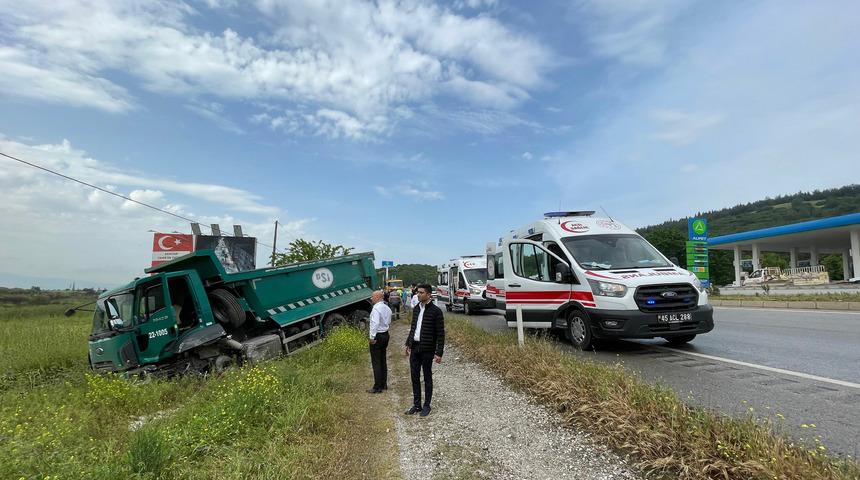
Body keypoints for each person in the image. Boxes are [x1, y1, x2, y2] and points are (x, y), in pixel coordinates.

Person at [404, 283, 444, 417]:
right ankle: (417, 405)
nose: (418, 294)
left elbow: (440, 334)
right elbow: (413, 328)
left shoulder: (436, 311)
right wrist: (408, 343)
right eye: (417, 292)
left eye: (421, 292)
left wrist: (439, 353)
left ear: (428, 294)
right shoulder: (416, 309)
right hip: (415, 347)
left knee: (427, 377)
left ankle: (427, 405)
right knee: (414, 377)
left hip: (427, 349)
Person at [367, 290, 392, 394]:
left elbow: (375, 323)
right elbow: (389, 320)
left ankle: (377, 387)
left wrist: (372, 337)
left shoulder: (376, 309)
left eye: (372, 297)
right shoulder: (387, 307)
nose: (371, 298)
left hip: (378, 335)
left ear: (377, 297)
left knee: (376, 362)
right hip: (385, 334)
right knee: (383, 360)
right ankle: (383, 384)